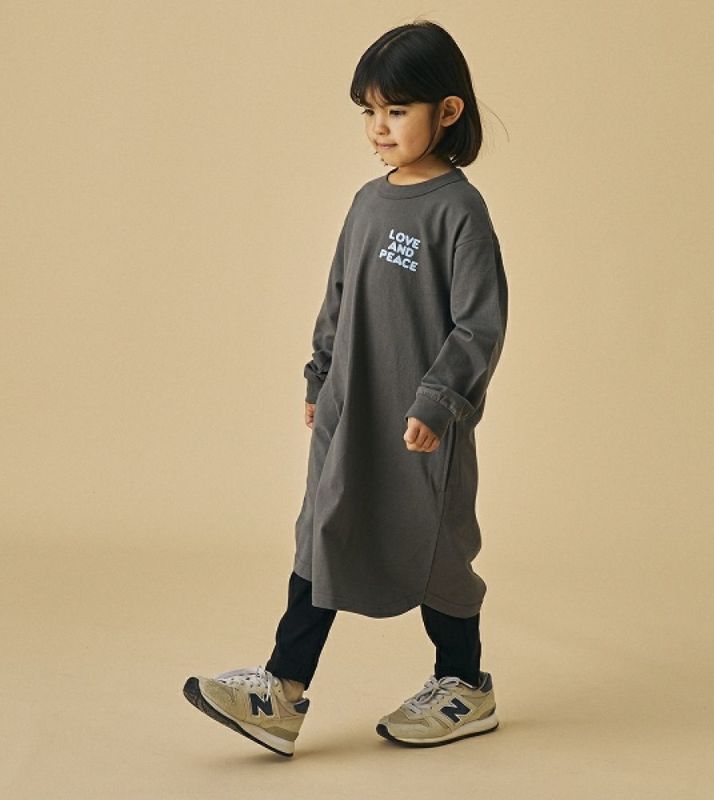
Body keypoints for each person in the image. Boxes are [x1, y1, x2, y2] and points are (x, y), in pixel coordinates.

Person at [183, 19, 509, 757]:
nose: (378, 127)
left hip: (420, 426)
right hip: (348, 410)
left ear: (447, 111)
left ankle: (464, 683)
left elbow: (479, 324)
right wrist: (319, 371)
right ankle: (281, 691)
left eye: (396, 110)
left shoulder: (459, 212)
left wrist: (438, 401)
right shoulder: (367, 202)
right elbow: (339, 296)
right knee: (322, 531)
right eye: (369, 111)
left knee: (437, 551)